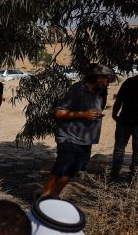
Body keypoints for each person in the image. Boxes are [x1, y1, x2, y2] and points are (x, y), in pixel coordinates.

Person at [41, 64, 114, 197]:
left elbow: (100, 107)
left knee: (74, 169)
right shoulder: (78, 90)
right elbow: (59, 113)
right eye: (107, 80)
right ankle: (44, 197)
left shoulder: (101, 91)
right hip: (69, 136)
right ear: (99, 78)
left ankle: (54, 196)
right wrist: (84, 114)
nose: (109, 84)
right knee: (61, 167)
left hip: (86, 138)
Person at [110, 72, 138, 182]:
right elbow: (119, 100)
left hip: (124, 119)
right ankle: (134, 177)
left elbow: (119, 100)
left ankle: (114, 174)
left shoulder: (128, 82)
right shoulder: (128, 82)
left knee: (119, 148)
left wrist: (114, 114)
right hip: (128, 121)